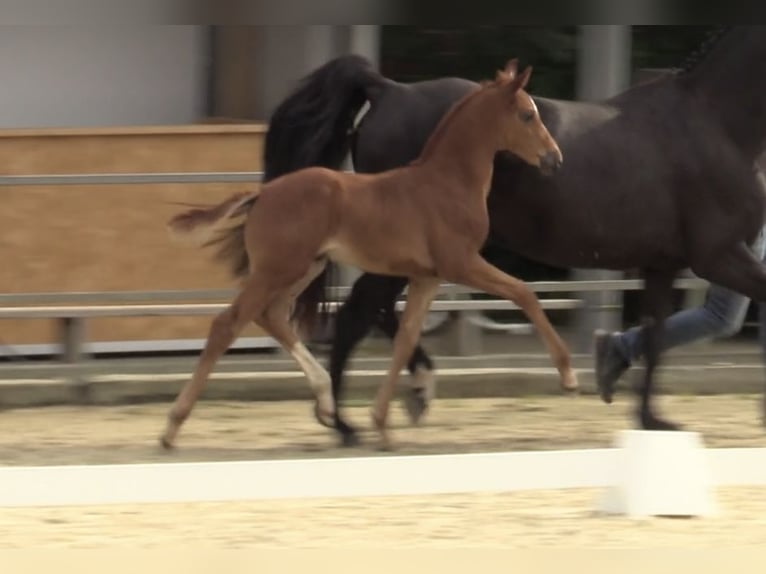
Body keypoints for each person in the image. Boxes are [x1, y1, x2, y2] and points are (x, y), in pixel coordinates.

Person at [594, 225, 766, 413]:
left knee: (723, 316)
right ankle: (623, 346)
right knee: (721, 315)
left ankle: (623, 346)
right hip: (741, 221)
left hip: (746, 221)